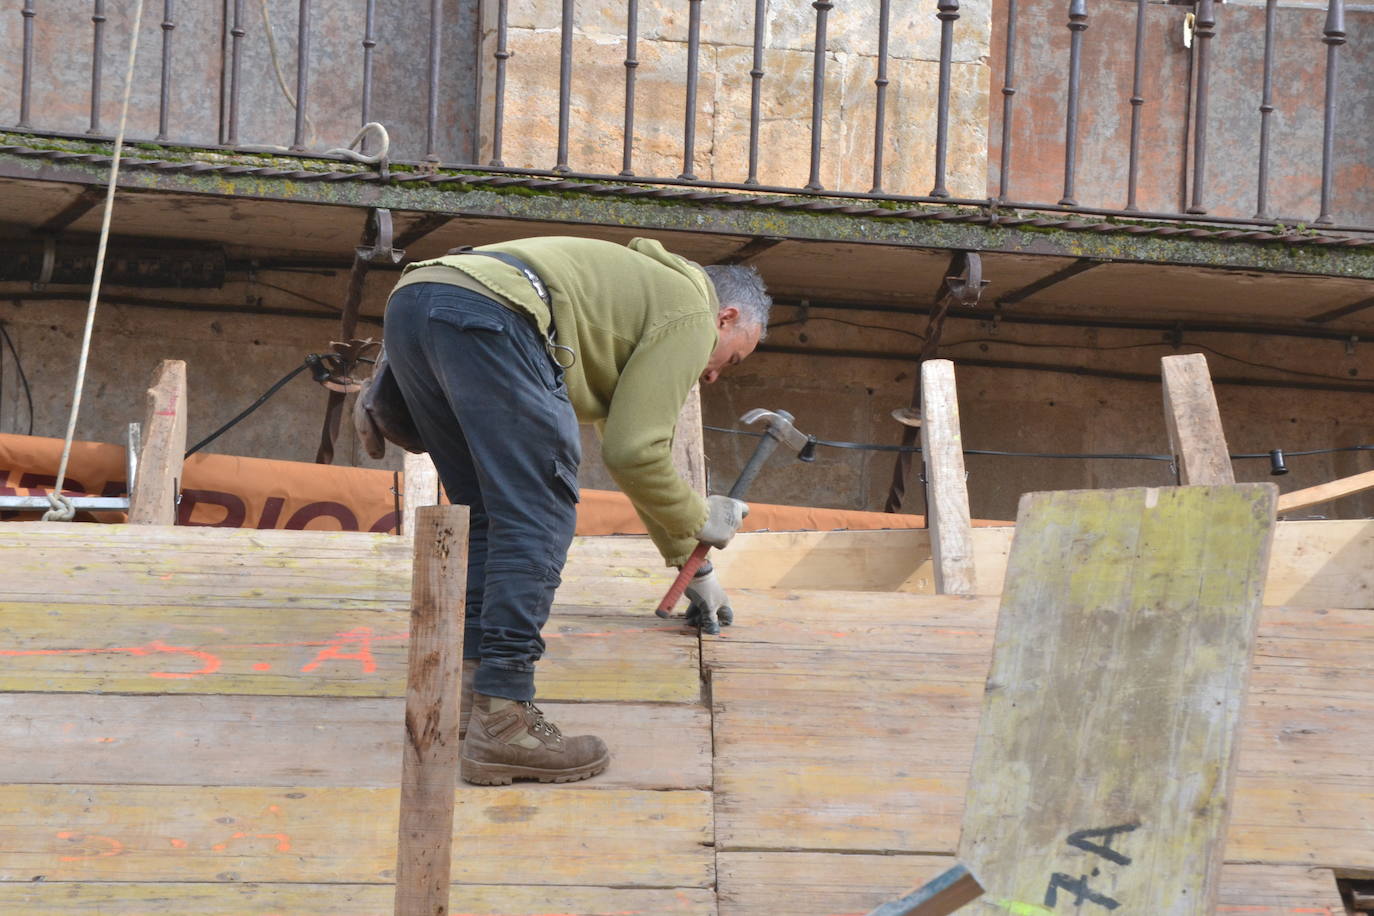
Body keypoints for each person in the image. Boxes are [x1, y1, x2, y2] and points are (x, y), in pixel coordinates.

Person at [381, 235, 772, 786]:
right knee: (536, 515)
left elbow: (633, 456)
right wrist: (701, 517)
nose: (712, 376)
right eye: (728, 358)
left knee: (492, 515)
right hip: (493, 315)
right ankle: (505, 721)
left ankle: (475, 704)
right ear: (726, 317)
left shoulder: (636, 296)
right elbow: (635, 452)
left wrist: (691, 562)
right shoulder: (691, 308)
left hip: (418, 301)